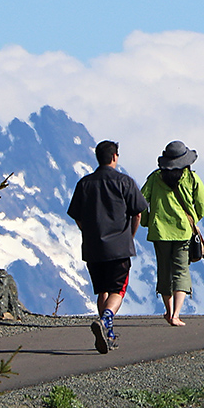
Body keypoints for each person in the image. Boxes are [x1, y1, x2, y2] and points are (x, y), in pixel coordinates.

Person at [67, 140, 147, 354]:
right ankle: (106, 319)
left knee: (102, 290)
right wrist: (130, 235)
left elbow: (76, 215)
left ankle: (108, 334)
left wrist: (89, 232)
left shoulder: (84, 184)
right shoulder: (125, 182)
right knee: (118, 290)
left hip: (93, 248)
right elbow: (138, 212)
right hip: (119, 247)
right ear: (114, 157)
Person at [141, 141, 204, 326]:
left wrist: (147, 220)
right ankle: (176, 315)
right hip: (183, 231)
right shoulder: (191, 178)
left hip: (159, 233)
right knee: (181, 270)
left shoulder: (155, 178)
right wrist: (193, 219)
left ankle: (168, 310)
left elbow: (140, 202)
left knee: (164, 270)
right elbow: (203, 203)